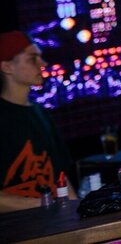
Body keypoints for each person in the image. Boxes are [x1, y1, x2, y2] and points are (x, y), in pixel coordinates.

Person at [0, 31, 77, 212]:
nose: (43, 64)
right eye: (32, 58)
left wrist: (76, 212)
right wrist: (41, 204)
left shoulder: (40, 113)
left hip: (54, 222)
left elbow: (60, 177)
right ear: (7, 67)